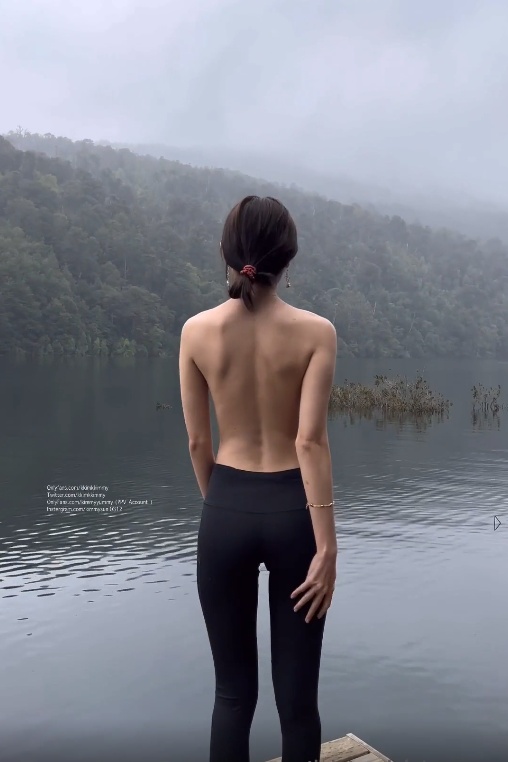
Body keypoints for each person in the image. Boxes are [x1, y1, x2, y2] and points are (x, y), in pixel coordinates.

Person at [179, 195, 338, 762]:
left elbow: (199, 443)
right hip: (296, 515)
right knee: (297, 702)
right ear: (287, 259)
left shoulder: (196, 331)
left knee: (231, 695)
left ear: (226, 252)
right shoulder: (316, 332)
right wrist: (327, 547)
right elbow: (309, 442)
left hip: (225, 509)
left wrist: (225, 506)